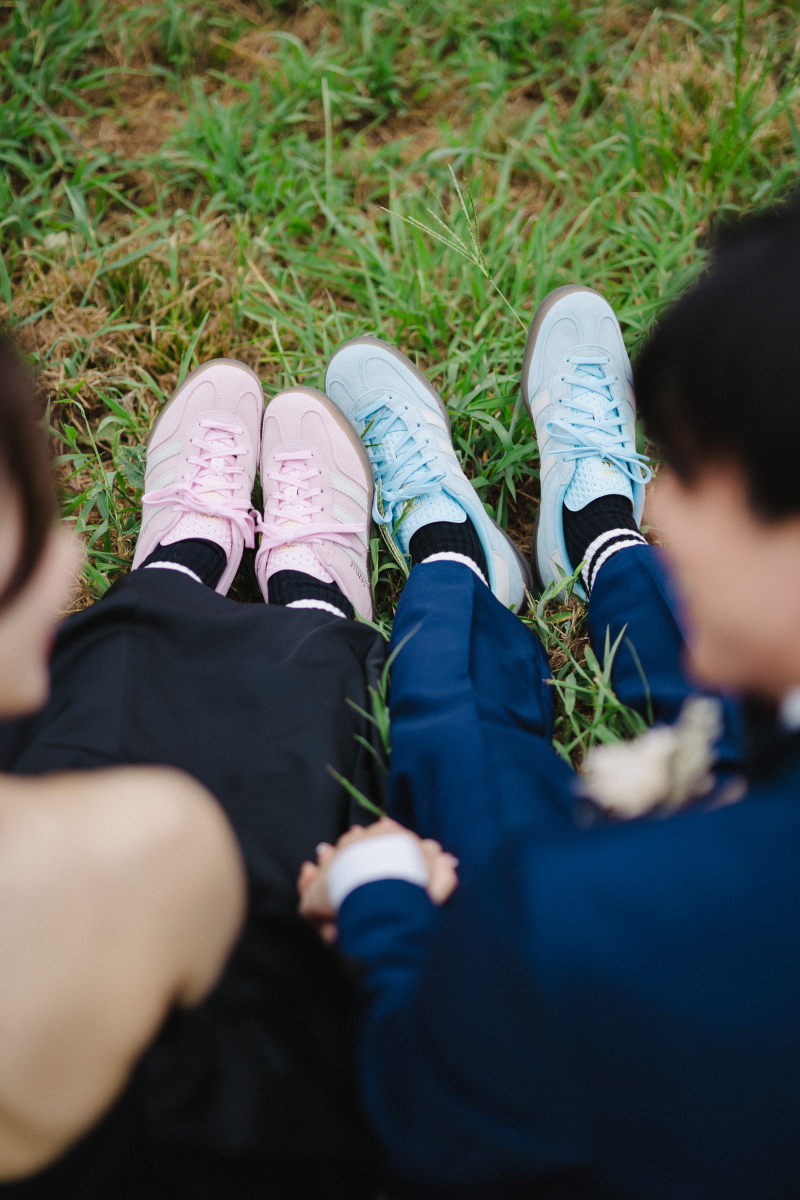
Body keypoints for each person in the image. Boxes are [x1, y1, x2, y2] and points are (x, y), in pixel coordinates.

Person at [298, 199, 800, 1199]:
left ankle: (450, 555)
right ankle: (596, 528)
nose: (674, 504)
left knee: (470, 778)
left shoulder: (561, 924)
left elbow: (430, 1116)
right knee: (704, 648)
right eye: (662, 478)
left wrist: (383, 901)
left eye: (692, 475)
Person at [0, 355, 399, 1197]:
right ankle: (313, 615)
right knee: (255, 810)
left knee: (81, 727)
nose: (68, 549)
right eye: (30, 537)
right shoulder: (163, 839)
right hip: (233, 1133)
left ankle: (174, 573)